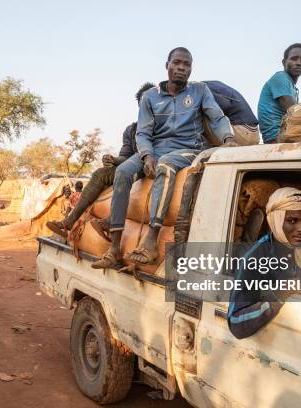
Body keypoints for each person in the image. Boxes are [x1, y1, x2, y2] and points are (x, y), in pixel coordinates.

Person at [93, 47, 236, 268]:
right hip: (155, 148)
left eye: (186, 64)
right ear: (167, 65)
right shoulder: (150, 97)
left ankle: (151, 239)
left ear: (191, 69)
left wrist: (228, 138)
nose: (181, 68)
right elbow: (143, 133)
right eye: (176, 63)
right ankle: (114, 248)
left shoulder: (200, 91)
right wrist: (147, 154)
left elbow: (217, 117)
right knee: (122, 172)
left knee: (166, 165)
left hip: (188, 148)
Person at [46, 82, 155, 238]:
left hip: (149, 167)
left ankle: (112, 222)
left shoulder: (165, 127)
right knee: (100, 174)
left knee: (127, 175)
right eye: (143, 104)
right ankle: (68, 222)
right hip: (131, 166)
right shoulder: (131, 130)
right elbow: (125, 156)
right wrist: (113, 159)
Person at [227, 187, 301, 339]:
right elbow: (236, 323)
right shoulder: (255, 258)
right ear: (275, 220)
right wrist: (282, 292)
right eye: (292, 221)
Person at [257, 43, 301, 143]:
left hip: (286, 134)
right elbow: (296, 113)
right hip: (277, 137)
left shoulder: (291, 86)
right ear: (284, 62)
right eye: (294, 58)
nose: (299, 63)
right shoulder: (280, 77)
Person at [204, 81, 260, 145]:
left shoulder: (201, 88)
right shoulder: (213, 83)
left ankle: (197, 144)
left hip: (241, 132)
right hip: (253, 133)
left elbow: (224, 105)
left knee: (201, 111)